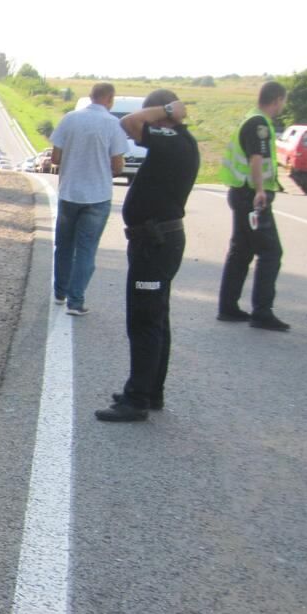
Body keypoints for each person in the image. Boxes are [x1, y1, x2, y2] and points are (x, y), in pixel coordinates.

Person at [95, 91, 197, 423]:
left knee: (144, 321)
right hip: (159, 240)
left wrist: (166, 110)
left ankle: (137, 398)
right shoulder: (178, 141)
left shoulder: (173, 137)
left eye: (151, 113)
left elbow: (127, 123)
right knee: (156, 318)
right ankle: (151, 391)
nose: (147, 117)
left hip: (155, 243)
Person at [216, 80, 290, 331]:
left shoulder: (252, 118)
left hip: (242, 193)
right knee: (271, 252)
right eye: (283, 101)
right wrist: (260, 191)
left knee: (241, 251)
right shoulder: (259, 123)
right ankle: (262, 312)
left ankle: (228, 307)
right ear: (278, 99)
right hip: (251, 196)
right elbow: (256, 159)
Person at [50, 83, 128, 316]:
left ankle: (59, 292)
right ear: (110, 99)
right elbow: (118, 165)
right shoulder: (113, 124)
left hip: (69, 192)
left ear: (90, 97)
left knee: (64, 245)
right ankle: (76, 301)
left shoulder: (69, 119)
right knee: (86, 249)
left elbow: (55, 158)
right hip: (98, 195)